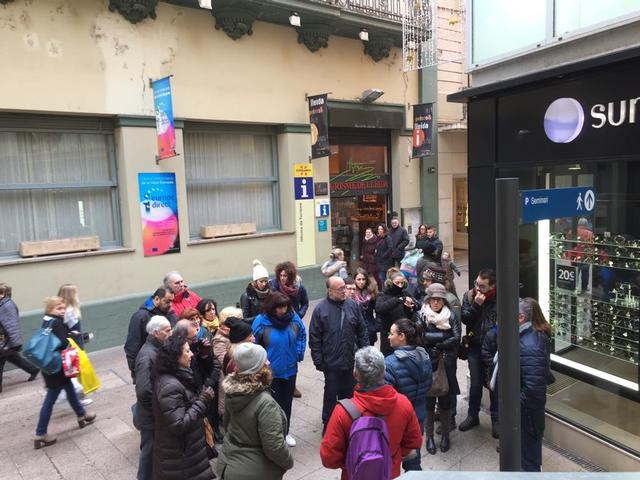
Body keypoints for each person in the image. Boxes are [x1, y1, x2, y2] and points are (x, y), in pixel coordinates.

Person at [320, 346, 422, 480]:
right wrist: (391, 456)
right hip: (389, 473)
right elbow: (413, 443)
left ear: (355, 374)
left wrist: (354, 461)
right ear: (384, 372)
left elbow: (329, 458)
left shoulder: (342, 412)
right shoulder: (403, 404)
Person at [217, 343, 294, 479]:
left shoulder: (232, 391)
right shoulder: (266, 404)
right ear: (257, 368)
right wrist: (288, 462)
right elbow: (274, 447)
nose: (268, 362)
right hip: (254, 471)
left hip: (228, 463)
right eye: (264, 360)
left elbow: (227, 424)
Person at [34, 297, 96, 449]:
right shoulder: (56, 322)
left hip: (49, 365)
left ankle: (81, 414)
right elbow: (62, 342)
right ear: (50, 309)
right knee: (50, 399)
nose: (62, 311)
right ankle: (40, 433)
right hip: (57, 367)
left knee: (69, 388)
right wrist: (72, 335)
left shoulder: (47, 320)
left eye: (63, 308)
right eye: (59, 308)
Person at [309, 277, 368, 432]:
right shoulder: (320, 309)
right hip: (331, 363)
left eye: (345, 287)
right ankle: (328, 423)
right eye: (341, 288)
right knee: (331, 393)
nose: (344, 291)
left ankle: (347, 423)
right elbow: (314, 337)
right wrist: (318, 360)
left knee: (349, 394)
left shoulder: (352, 306)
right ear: (330, 291)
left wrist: (365, 353)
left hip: (350, 360)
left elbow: (362, 331)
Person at [152, 334, 215, 480]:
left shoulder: (179, 375)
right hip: (181, 456)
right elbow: (178, 425)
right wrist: (202, 401)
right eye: (187, 351)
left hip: (187, 452)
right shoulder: (170, 386)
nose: (191, 354)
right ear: (175, 357)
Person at [252, 292, 306, 447]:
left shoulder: (294, 318)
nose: (283, 310)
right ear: (272, 307)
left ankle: (285, 432)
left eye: (285, 307)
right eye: (279, 307)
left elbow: (302, 334)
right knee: (272, 405)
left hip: (290, 369)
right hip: (270, 372)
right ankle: (273, 435)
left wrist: (298, 352)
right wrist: (262, 362)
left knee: (287, 402)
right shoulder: (261, 321)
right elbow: (255, 344)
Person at [418, 283, 461, 454]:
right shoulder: (421, 315)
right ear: (428, 300)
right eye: (433, 299)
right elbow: (420, 337)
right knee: (428, 402)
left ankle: (445, 436)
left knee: (445, 400)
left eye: (439, 299)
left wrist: (438, 344)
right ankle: (429, 437)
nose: (436, 302)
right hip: (427, 362)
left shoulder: (451, 315)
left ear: (444, 301)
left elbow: (456, 337)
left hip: (446, 362)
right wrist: (444, 335)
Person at [384, 319, 432, 471]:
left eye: (391, 333)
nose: (388, 337)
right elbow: (428, 385)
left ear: (402, 336)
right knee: (413, 460)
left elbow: (386, 398)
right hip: (418, 415)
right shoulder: (425, 356)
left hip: (397, 421)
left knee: (391, 463)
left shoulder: (389, 364)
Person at [459, 268, 498, 433]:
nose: (477, 288)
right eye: (476, 283)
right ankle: (472, 415)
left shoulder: (499, 298)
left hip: (493, 349)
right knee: (475, 384)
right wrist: (476, 305)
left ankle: (496, 420)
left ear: (492, 286)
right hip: (474, 346)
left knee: (494, 385)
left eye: (482, 286)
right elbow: (465, 318)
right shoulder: (469, 296)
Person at [133, 316, 172, 480]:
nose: (171, 333)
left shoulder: (156, 349)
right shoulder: (147, 356)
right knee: (148, 452)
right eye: (167, 331)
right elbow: (143, 391)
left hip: (153, 413)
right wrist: (157, 409)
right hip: (150, 416)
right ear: (156, 333)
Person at [519, 297, 552, 472]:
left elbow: (533, 392)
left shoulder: (531, 345)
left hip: (527, 415)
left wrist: (513, 403)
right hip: (527, 414)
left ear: (521, 318)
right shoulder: (528, 337)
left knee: (529, 461)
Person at [270, 260, 308, 398]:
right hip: (278, 322)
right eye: (280, 275)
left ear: (291, 276)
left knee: (292, 351)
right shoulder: (274, 287)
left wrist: (299, 315)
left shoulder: (299, 287)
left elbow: (305, 303)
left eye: (285, 275)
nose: (282, 278)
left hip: (293, 322)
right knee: (280, 350)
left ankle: (292, 385)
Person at [124, 287, 176, 382]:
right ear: (156, 299)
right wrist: (136, 372)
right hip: (149, 368)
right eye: (167, 302)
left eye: (172, 301)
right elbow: (132, 347)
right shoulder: (140, 317)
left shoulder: (169, 312)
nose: (170, 305)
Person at [0, 283, 39, 392]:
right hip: (5, 341)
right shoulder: (3, 304)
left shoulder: (7, 306)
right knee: (13, 357)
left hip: (5, 341)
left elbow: (11, 326)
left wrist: (15, 343)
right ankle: (33, 369)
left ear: (3, 294)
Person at [375, 271, 417, 357]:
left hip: (403, 333)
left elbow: (417, 306)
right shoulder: (383, 295)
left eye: (402, 283)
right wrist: (397, 300)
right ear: (391, 283)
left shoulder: (405, 294)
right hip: (388, 333)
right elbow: (379, 309)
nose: (400, 286)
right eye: (397, 283)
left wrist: (411, 305)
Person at [213, 307, 243, 417]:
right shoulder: (219, 339)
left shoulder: (237, 334)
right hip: (229, 380)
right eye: (238, 319)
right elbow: (225, 363)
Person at [353, 268, 379, 346]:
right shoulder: (352, 294)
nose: (361, 282)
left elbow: (378, 310)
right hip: (356, 329)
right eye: (359, 279)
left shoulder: (371, 293)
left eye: (363, 279)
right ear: (354, 280)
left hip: (369, 329)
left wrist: (375, 326)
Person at [240, 259, 271, 325]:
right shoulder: (246, 296)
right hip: (254, 327)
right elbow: (245, 319)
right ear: (255, 281)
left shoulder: (270, 292)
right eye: (261, 281)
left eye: (266, 281)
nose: (264, 284)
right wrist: (261, 317)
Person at [57, 284, 85, 348]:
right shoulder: (71, 311)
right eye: (75, 293)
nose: (77, 294)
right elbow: (75, 330)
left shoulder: (59, 309)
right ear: (71, 296)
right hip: (72, 344)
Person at [374, 224, 394, 288]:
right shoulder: (377, 238)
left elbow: (390, 248)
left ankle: (386, 290)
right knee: (381, 278)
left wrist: (384, 256)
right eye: (379, 229)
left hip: (386, 262)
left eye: (381, 229)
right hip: (379, 261)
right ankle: (384, 290)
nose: (380, 230)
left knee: (384, 278)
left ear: (384, 230)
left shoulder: (388, 238)